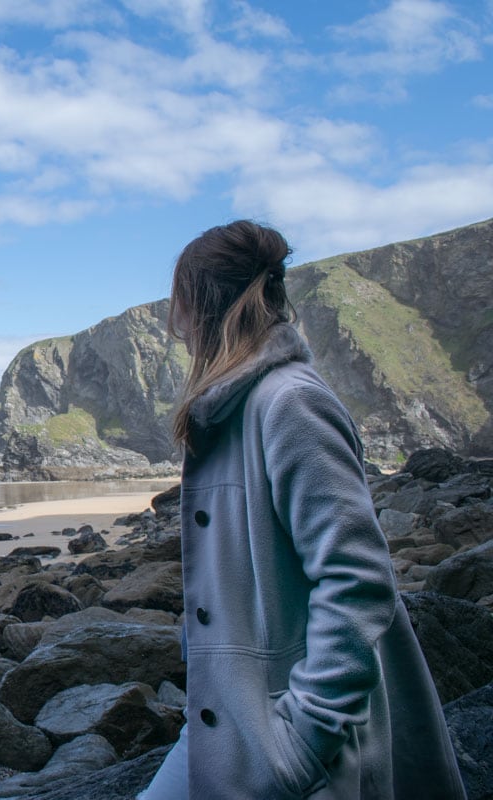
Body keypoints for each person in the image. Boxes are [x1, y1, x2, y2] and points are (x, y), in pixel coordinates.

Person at [139, 220, 466, 799]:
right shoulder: (240, 405)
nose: (174, 326)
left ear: (201, 304)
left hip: (287, 738)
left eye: (179, 303)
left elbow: (358, 580)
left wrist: (305, 737)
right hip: (235, 717)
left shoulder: (290, 402)